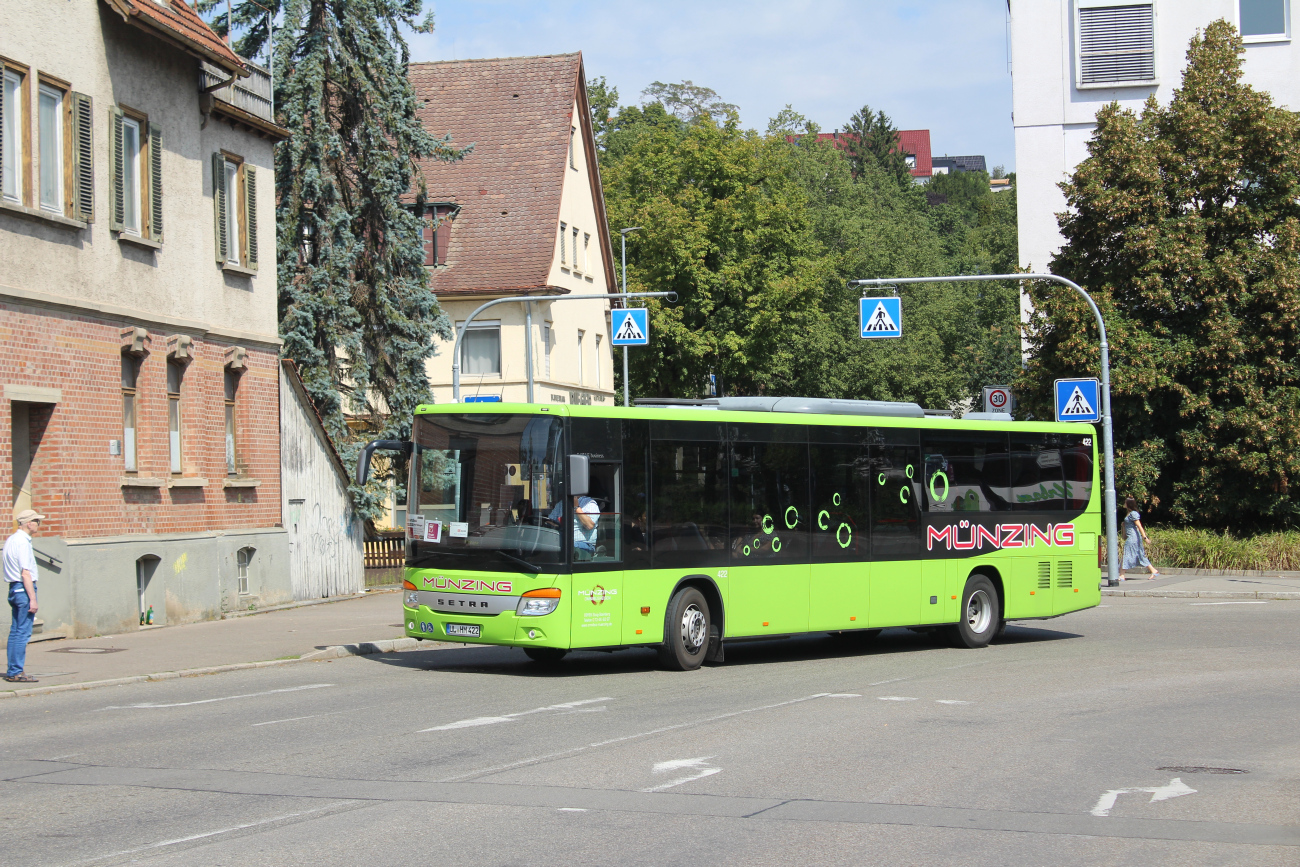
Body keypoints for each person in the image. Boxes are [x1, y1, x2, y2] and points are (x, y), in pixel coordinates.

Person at [5, 509, 43, 684]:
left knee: (15, 632)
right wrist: (33, 598)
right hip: (23, 589)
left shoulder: (11, 540)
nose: (38, 525)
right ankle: (16, 671)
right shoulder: (22, 542)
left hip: (14, 589)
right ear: (29, 523)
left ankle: (13, 669)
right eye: (37, 521)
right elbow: (25, 573)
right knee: (22, 633)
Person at [1119, 496, 1159, 581]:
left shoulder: (1133, 513)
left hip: (1133, 538)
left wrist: (1145, 537)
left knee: (1127, 554)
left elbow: (1139, 526)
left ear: (1128, 504)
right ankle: (1153, 570)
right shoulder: (1129, 513)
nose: (1124, 504)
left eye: (1125, 502)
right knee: (1139, 555)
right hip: (1132, 537)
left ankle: (1122, 575)